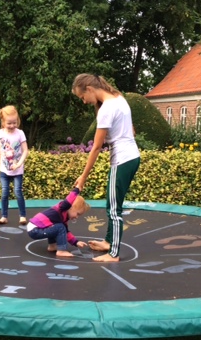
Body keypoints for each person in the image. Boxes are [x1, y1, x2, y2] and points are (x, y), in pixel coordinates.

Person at [72, 73, 140, 262]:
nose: (84, 101)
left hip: (122, 160)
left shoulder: (106, 109)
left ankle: (114, 253)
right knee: (112, 205)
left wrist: (83, 177)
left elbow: (96, 147)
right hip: (132, 156)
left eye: (82, 97)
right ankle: (109, 242)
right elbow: (132, 131)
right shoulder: (119, 98)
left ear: (89, 89)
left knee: (114, 209)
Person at [26, 187, 90, 258]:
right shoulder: (61, 208)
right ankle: (61, 251)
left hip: (35, 228)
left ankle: (52, 246)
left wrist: (76, 242)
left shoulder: (63, 217)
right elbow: (69, 200)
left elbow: (66, 232)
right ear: (70, 207)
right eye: (77, 214)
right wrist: (77, 189)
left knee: (56, 227)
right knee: (60, 227)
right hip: (35, 230)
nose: (77, 217)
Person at [0, 105, 28, 225]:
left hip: (17, 170)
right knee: (4, 193)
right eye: (9, 123)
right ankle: (4, 216)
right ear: (3, 122)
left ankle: (22, 216)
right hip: (4, 170)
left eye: (14, 122)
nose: (12, 125)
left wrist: (19, 164)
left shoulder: (20, 133)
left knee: (18, 192)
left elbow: (25, 150)